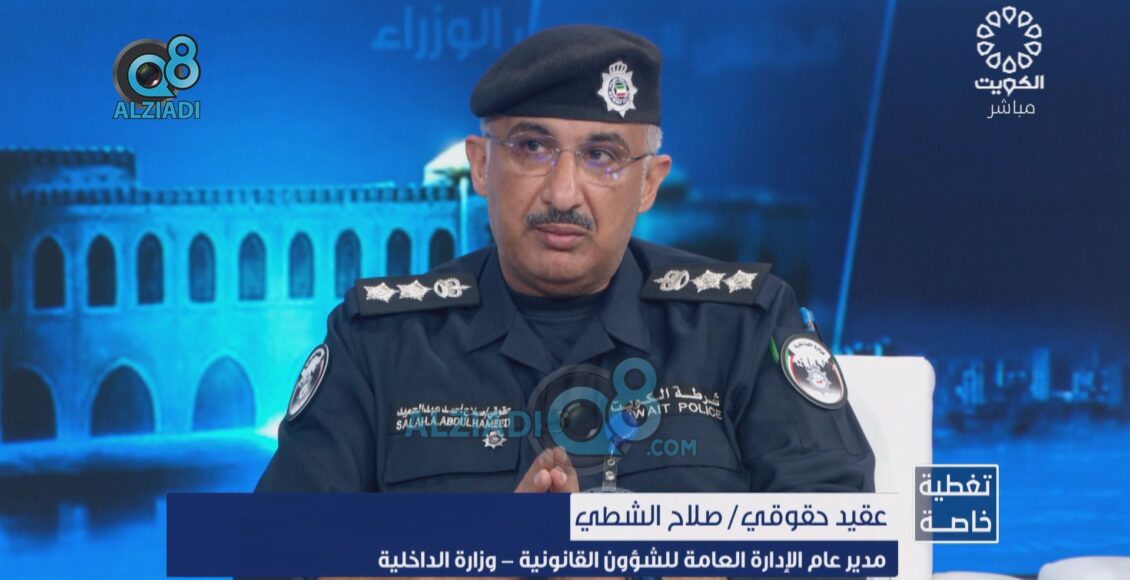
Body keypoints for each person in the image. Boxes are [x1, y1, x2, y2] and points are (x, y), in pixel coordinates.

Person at [257, 23, 873, 499]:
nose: (562, 193)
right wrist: (494, 558)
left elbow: (838, 543)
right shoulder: (378, 340)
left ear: (649, 183)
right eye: (533, 147)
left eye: (602, 156)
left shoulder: (742, 326)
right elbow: (274, 554)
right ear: (481, 165)